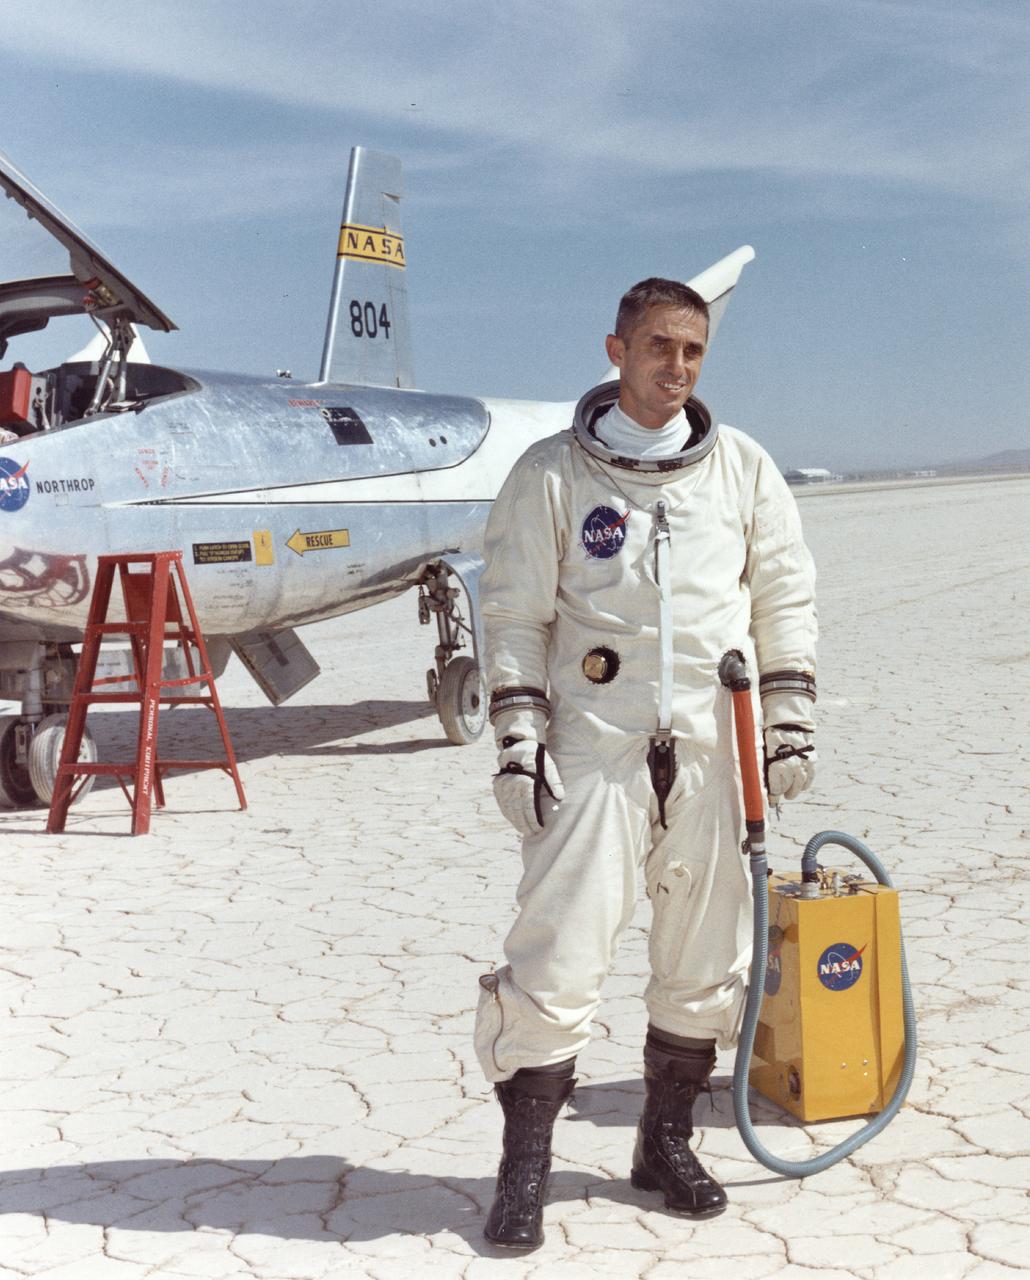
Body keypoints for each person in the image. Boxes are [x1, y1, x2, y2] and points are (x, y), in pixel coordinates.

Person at [474, 278, 818, 1249]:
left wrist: (788, 719)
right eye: (659, 346)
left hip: (715, 743)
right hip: (594, 744)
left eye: (693, 351)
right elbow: (514, 616)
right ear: (616, 349)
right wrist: (517, 739)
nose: (676, 366)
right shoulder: (554, 475)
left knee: (707, 959)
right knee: (558, 954)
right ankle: (525, 1166)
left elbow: (784, 598)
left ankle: (661, 1143)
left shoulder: (740, 469)